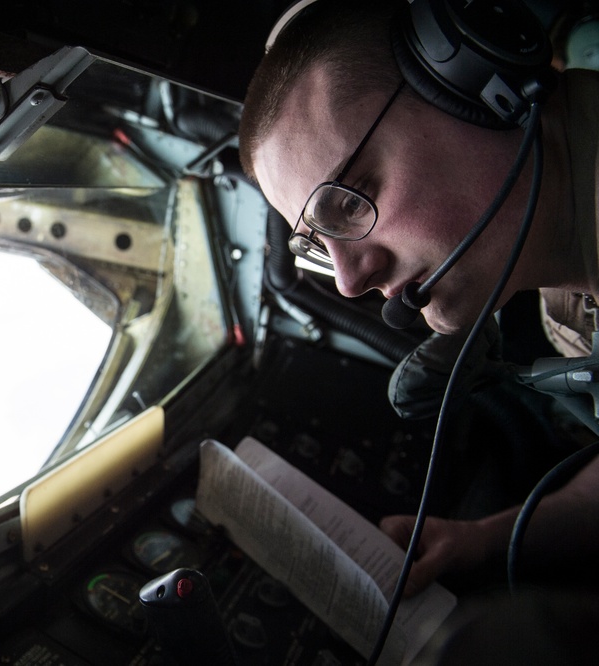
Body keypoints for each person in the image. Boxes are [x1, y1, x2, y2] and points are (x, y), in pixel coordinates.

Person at [238, 0, 599, 598]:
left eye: (350, 202)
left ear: (476, 86)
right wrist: (484, 538)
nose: (351, 281)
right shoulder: (563, 295)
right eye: (319, 245)